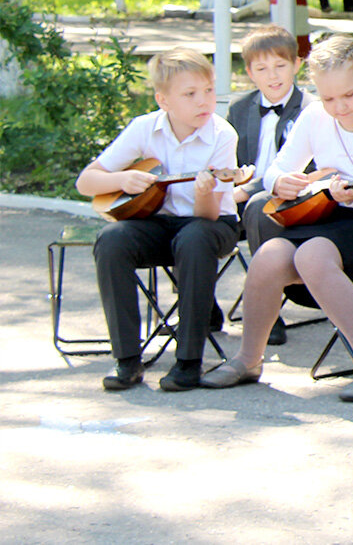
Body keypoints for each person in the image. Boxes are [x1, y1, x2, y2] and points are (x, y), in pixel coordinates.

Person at [201, 36, 353, 402]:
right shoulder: (316, 115)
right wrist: (280, 182)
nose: (339, 107)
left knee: (312, 254)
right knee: (270, 254)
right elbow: (276, 170)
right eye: (329, 98)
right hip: (327, 215)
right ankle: (249, 358)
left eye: (348, 96)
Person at [77, 48, 240, 392]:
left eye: (208, 91)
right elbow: (86, 182)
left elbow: (209, 215)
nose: (203, 102)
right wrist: (122, 180)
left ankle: (189, 361)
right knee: (112, 239)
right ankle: (127, 360)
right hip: (156, 223)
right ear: (163, 100)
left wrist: (203, 191)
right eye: (190, 94)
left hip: (212, 223)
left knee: (195, 238)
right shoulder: (144, 128)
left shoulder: (222, 135)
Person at [226, 24, 314, 346]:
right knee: (194, 213)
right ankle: (200, 310)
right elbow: (229, 159)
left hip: (292, 197)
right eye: (262, 69)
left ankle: (267, 313)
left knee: (256, 207)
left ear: (297, 64)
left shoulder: (311, 110)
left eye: (280, 66)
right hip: (241, 194)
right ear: (250, 72)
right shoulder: (239, 108)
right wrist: (231, 180)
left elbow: (310, 167)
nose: (272, 76)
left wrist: (247, 190)